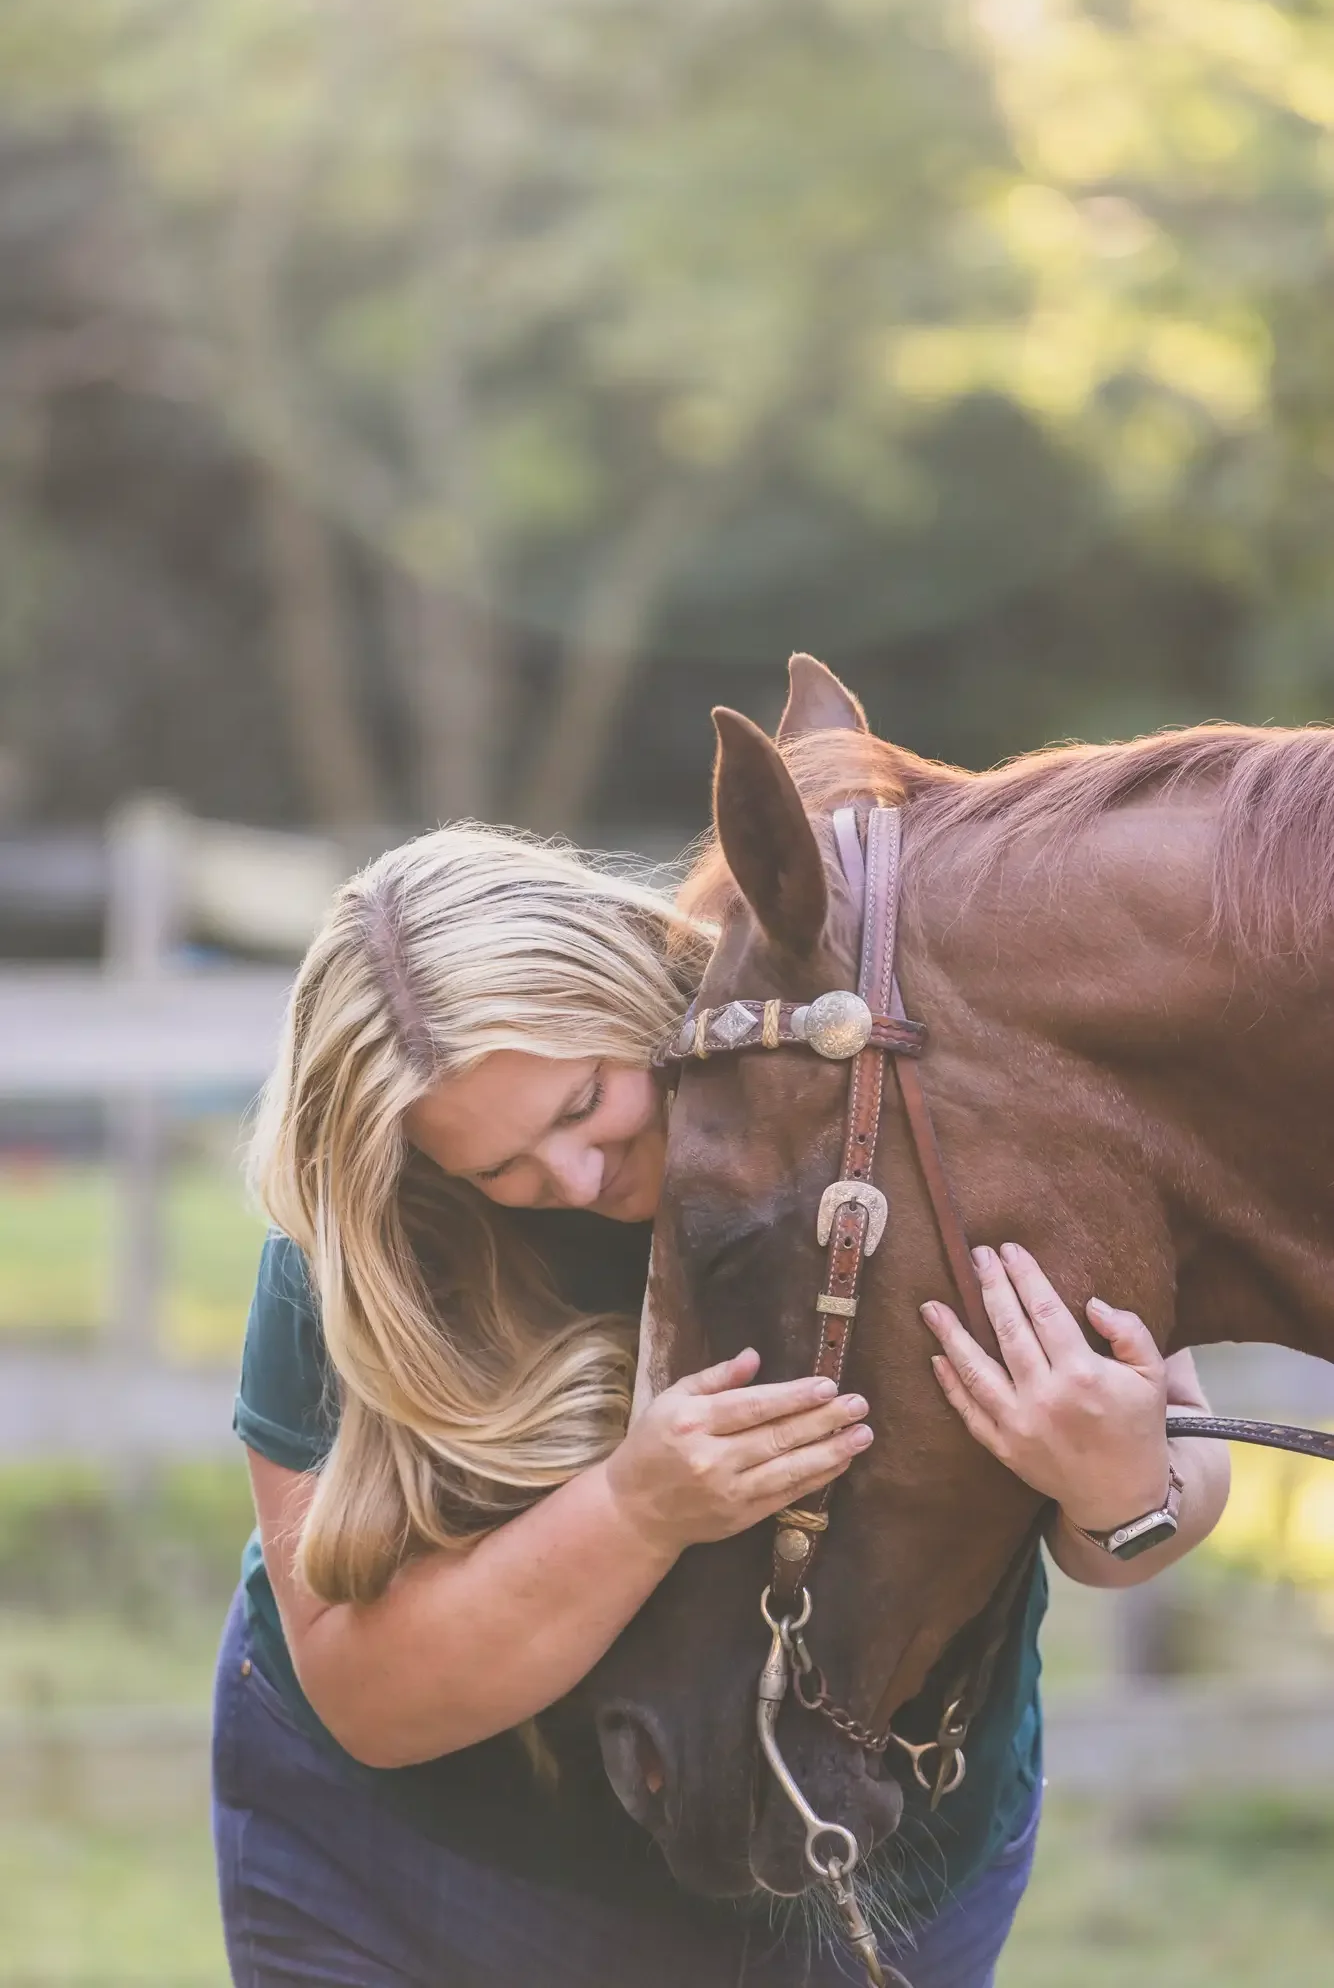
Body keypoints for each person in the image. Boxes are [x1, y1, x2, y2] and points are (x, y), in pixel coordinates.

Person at [213, 823, 1230, 1988]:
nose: (576, 1182)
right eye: (499, 1169)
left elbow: (1162, 1496)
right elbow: (370, 1701)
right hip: (422, 1883)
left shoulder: (914, 1097)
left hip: (873, 1877)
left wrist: (1118, 1487)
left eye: (582, 1101)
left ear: (631, 978)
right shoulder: (362, 1265)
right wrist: (637, 1509)